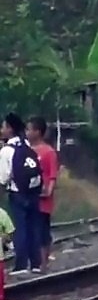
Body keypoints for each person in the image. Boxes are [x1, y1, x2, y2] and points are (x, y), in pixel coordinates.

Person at [0, 113, 44, 275]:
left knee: (20, 228)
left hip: (17, 194)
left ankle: (20, 265)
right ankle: (36, 264)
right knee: (33, 227)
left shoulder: (6, 151)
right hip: (33, 193)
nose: (2, 130)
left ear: (10, 129)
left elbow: (3, 178)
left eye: (3, 126)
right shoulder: (26, 144)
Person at [26, 116, 59, 269]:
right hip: (28, 196)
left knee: (42, 231)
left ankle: (43, 263)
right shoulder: (26, 151)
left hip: (43, 198)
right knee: (30, 230)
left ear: (37, 132)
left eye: (29, 129)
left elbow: (53, 175)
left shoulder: (49, 152)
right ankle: (33, 262)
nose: (26, 132)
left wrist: (49, 191)